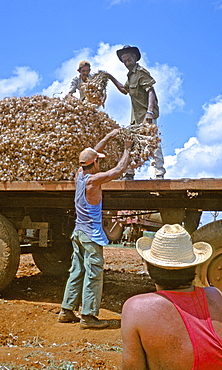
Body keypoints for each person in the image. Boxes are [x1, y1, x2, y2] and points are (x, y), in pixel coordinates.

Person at [121, 224, 222, 369]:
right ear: (195, 267)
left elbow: (132, 367)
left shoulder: (136, 308)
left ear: (148, 267)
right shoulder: (215, 295)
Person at [59, 129, 133, 329]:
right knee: (93, 273)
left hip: (78, 233)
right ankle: (88, 316)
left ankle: (66, 310)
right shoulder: (94, 180)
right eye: (98, 161)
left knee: (77, 270)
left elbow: (91, 155)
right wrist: (127, 149)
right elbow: (118, 170)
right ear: (95, 164)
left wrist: (109, 137)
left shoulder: (80, 174)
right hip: (91, 235)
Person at [107, 45, 166, 180]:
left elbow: (151, 91)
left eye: (129, 60)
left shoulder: (141, 72)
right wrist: (110, 78)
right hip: (135, 117)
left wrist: (149, 112)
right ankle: (129, 172)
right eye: (124, 61)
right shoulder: (130, 75)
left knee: (152, 142)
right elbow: (124, 89)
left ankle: (159, 173)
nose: (127, 63)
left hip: (146, 115)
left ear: (134, 58)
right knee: (131, 142)